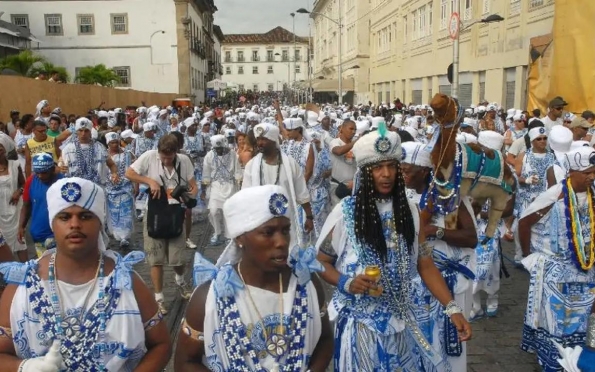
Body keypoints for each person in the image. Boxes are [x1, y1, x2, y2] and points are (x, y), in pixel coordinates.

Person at [315, 125, 472, 371]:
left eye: (392, 166)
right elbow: (320, 261)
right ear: (365, 173)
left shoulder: (410, 211)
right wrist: (346, 282)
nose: (386, 174)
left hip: (403, 324)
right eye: (378, 168)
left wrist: (452, 308)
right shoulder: (346, 213)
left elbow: (424, 264)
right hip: (360, 327)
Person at [0, 177, 172, 371]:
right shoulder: (22, 284)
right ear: (52, 224)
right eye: (64, 217)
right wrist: (25, 367)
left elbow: (161, 345)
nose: (75, 224)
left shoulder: (126, 281)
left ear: (100, 222)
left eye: (85, 216)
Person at [174, 185, 333, 371]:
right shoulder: (208, 297)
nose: (282, 242)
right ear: (240, 238)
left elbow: (325, 339)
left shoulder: (307, 285)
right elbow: (185, 362)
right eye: (268, 232)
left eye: (285, 230)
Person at [400, 140, 478, 370]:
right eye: (401, 169)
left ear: (424, 171)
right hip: (415, 283)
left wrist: (438, 231)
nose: (401, 174)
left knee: (447, 342)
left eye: (406, 170)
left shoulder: (448, 196)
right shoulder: (402, 195)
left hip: (447, 280)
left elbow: (471, 238)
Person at [518, 146, 595, 372]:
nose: (592, 177)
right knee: (556, 323)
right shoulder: (554, 194)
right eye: (587, 172)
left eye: (594, 172)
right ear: (571, 172)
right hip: (555, 273)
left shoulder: (592, 195)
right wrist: (528, 256)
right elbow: (524, 222)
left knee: (583, 322)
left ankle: (579, 363)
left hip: (586, 270)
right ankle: (553, 363)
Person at [125, 134, 196, 314]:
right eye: (163, 157)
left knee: (177, 258)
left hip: (176, 212)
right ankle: (159, 299)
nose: (166, 160)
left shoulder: (184, 161)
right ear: (158, 152)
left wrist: (187, 193)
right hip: (155, 212)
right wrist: (150, 181)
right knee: (155, 258)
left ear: (176, 153)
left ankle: (181, 281)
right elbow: (129, 173)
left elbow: (193, 185)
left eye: (170, 157)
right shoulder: (149, 157)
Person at [242, 123, 314, 243]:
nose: (259, 143)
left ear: (274, 140)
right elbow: (246, 195)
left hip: (286, 220)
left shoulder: (290, 164)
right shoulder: (251, 165)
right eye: (258, 139)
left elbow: (302, 194)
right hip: (261, 220)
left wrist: (309, 217)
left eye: (264, 139)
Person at [18, 153, 64, 259]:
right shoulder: (31, 181)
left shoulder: (63, 182)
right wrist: (21, 226)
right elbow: (26, 205)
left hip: (58, 235)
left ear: (52, 169)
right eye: (37, 172)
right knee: (44, 267)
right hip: (38, 235)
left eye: (44, 173)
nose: (40, 176)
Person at [201, 134, 242, 245]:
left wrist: (239, 184)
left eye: (220, 148)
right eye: (216, 148)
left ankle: (228, 235)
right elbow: (206, 173)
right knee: (213, 211)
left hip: (230, 185)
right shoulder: (209, 156)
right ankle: (217, 233)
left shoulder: (233, 154)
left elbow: (238, 170)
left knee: (228, 212)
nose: (218, 150)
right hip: (215, 186)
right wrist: (203, 190)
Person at [59, 118, 119, 186]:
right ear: (76, 131)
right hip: (75, 188)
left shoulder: (100, 147)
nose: (83, 134)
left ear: (90, 131)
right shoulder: (68, 148)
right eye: (80, 130)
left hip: (97, 188)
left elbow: (111, 164)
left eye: (86, 131)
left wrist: (114, 173)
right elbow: (60, 162)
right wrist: (60, 166)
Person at [105, 132, 136, 249]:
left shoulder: (127, 154)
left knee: (126, 212)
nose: (114, 145)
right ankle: (117, 234)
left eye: (116, 142)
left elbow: (134, 170)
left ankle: (125, 237)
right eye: (112, 143)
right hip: (110, 189)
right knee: (114, 213)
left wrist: (135, 185)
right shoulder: (104, 155)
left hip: (125, 188)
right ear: (108, 143)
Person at [0, 135, 26, 262]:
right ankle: (6, 277)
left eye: (0, 146)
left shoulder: (15, 165)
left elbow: (24, 184)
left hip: (15, 209)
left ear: (5, 148)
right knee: (2, 246)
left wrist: (18, 191)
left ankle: (27, 273)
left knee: (20, 241)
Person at [329, 119, 357, 206]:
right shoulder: (335, 142)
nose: (353, 132)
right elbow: (338, 151)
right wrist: (355, 143)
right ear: (342, 129)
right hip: (338, 186)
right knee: (338, 214)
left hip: (353, 186)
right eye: (351, 129)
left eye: (355, 129)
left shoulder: (356, 144)